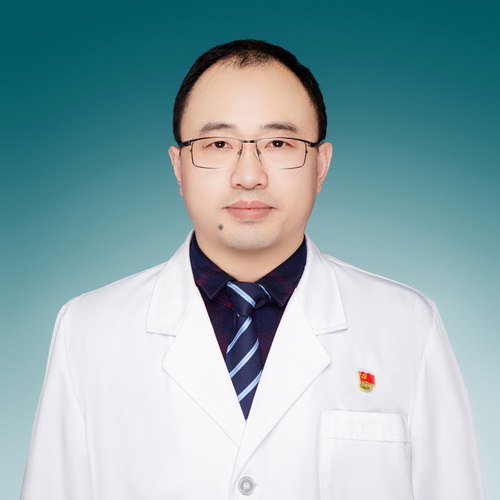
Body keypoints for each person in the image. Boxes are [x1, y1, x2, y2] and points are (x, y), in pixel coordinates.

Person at [21, 39, 485, 499]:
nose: (248, 176)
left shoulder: (407, 325)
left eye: (279, 143)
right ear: (179, 167)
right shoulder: (88, 330)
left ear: (320, 166)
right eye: (218, 143)